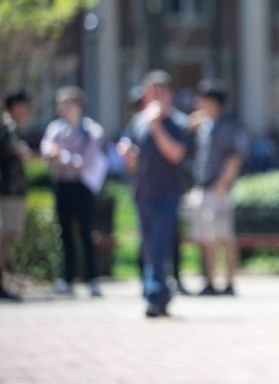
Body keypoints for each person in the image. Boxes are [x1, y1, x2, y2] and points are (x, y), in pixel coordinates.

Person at [118, 71, 189, 317]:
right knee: (149, 249)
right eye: (150, 91)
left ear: (169, 94)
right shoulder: (137, 120)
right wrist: (126, 152)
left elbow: (175, 154)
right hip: (142, 194)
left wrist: (156, 125)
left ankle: (154, 296)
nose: (154, 97)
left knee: (159, 247)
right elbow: (129, 149)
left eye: (159, 91)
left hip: (167, 195)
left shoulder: (178, 122)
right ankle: (161, 292)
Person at [41, 86, 105, 297]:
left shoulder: (91, 131)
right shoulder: (55, 129)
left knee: (86, 233)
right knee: (65, 233)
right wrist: (61, 156)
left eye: (67, 103)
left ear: (78, 105)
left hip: (82, 187)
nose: (63, 108)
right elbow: (46, 151)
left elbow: (85, 163)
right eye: (61, 104)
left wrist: (63, 156)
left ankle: (92, 279)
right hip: (62, 185)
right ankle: (67, 279)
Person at [190, 79, 248, 296]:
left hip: (218, 188)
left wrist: (223, 184)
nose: (199, 103)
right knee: (206, 238)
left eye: (203, 99)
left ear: (213, 101)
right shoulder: (204, 125)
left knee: (224, 237)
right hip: (203, 186)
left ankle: (230, 282)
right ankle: (209, 281)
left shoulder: (228, 126)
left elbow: (235, 157)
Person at [0, 90, 32, 301]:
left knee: (9, 234)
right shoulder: (8, 126)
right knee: (8, 233)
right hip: (9, 189)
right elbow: (17, 152)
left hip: (10, 188)